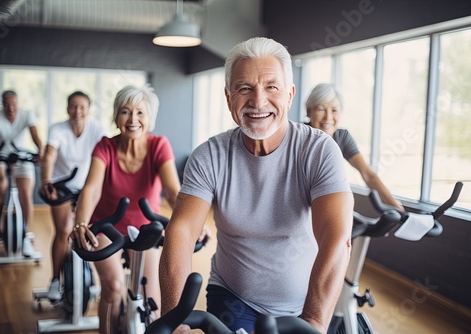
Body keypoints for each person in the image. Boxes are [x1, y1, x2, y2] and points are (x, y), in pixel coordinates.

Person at [159, 37, 354, 334]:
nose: (258, 101)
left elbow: (337, 238)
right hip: (233, 298)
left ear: (289, 95)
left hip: (306, 304)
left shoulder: (319, 151)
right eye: (244, 88)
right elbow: (181, 232)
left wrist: (314, 320)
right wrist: (174, 319)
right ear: (228, 98)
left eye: (271, 87)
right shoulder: (210, 156)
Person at [71, 84, 181, 333]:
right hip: (106, 228)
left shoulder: (159, 145)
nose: (133, 120)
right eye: (125, 112)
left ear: (149, 117)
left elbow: (173, 191)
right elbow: (91, 189)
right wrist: (80, 223)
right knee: (113, 287)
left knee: (149, 298)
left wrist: (190, 221)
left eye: (140, 113)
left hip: (145, 230)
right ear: (116, 116)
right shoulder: (105, 146)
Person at [38, 91, 105, 301]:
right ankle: (55, 279)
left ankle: (90, 276)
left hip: (88, 186)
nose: (78, 111)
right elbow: (49, 156)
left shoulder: (97, 129)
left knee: (90, 232)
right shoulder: (57, 129)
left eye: (82, 107)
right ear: (68, 109)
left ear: (88, 109)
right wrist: (46, 181)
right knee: (64, 230)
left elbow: (106, 156)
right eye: (74, 107)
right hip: (62, 185)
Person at [305, 83, 404, 211]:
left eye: (334, 110)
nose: (328, 117)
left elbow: (368, 175)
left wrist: (397, 208)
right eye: (321, 109)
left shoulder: (342, 137)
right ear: (309, 111)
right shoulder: (298, 137)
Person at [0, 90, 44, 257]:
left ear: (18, 104)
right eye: (7, 105)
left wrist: (41, 150)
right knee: (1, 183)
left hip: (21, 156)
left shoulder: (27, 115)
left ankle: (24, 235)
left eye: (14, 105)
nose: (11, 109)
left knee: (25, 193)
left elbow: (35, 134)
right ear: (2, 104)